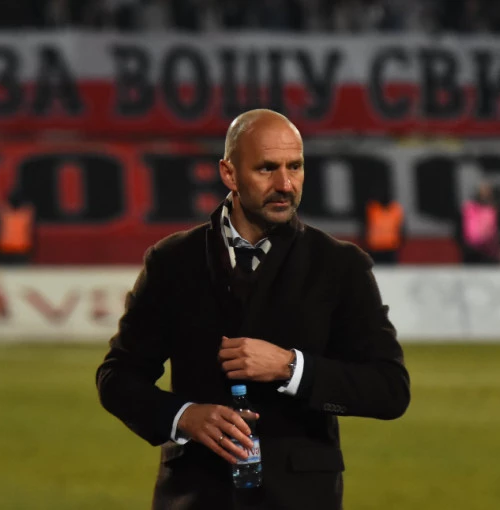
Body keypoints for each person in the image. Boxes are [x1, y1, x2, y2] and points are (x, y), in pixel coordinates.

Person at [95, 109, 410, 510]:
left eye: (295, 166)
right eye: (266, 169)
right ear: (229, 173)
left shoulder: (339, 265)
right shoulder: (173, 261)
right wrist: (183, 416)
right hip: (196, 497)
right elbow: (117, 376)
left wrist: (291, 368)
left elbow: (389, 389)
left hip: (298, 500)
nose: (285, 184)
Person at [362, 184, 406, 264]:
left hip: (391, 247)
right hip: (374, 248)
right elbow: (365, 226)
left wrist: (401, 241)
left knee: (391, 269)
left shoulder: (396, 209)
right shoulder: (372, 208)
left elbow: (401, 227)